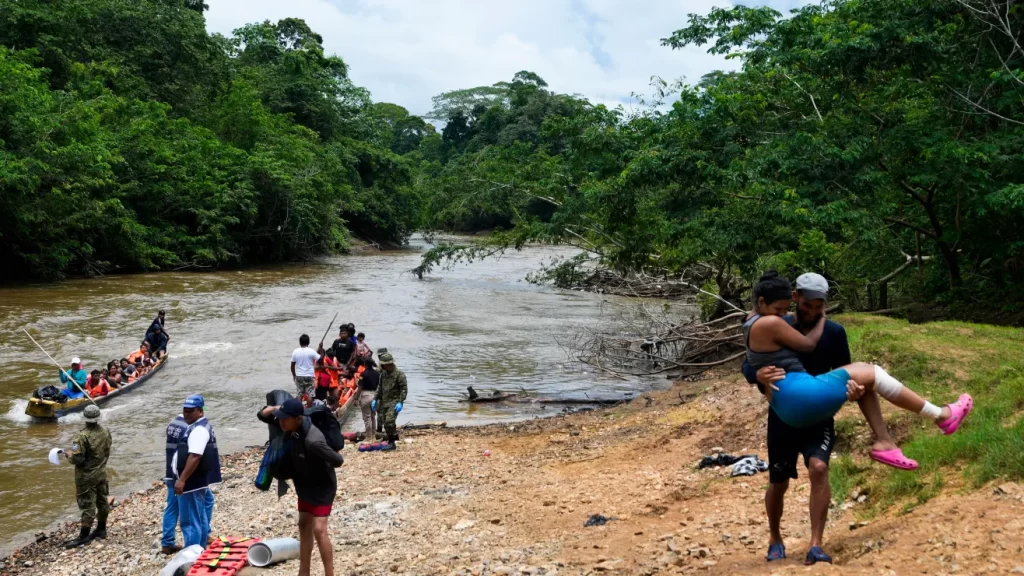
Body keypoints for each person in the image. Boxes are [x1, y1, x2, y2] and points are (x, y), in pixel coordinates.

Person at [743, 271, 974, 564]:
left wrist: (851, 392)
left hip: (817, 411)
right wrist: (758, 375)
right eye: (806, 306)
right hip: (784, 415)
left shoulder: (834, 332)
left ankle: (816, 543)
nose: (813, 312)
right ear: (795, 298)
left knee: (819, 468)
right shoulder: (777, 321)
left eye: (819, 307)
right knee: (778, 482)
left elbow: (847, 372)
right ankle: (775, 538)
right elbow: (749, 363)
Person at [262, 399, 343, 576]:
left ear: (298, 418)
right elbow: (262, 414)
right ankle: (303, 572)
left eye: (285, 419)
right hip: (303, 483)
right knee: (304, 524)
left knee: (319, 530)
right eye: (280, 419)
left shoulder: (313, 440)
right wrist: (278, 408)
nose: (281, 422)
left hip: (322, 486)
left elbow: (338, 460)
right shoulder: (289, 426)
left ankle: (329, 573)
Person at [172, 395, 221, 549]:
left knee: (190, 521)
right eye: (185, 410)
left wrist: (182, 480)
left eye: (190, 411)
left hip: (192, 482)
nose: (186, 414)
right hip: (198, 480)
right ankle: (200, 549)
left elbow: (195, 456)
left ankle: (192, 554)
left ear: (200, 411)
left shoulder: (199, 430)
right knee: (199, 516)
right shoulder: (199, 426)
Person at [63, 405, 112, 548]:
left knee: (87, 505)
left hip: (85, 477)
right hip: (101, 472)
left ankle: (83, 536)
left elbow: (77, 460)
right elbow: (107, 449)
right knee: (102, 501)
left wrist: (68, 455)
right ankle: (101, 529)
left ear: (85, 418)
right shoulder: (105, 431)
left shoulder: (81, 437)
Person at [373, 353, 408, 450]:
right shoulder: (383, 374)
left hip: (394, 401)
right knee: (386, 422)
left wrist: (400, 401)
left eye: (384, 364)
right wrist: (375, 399)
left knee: (389, 421)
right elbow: (379, 387)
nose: (383, 366)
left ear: (389, 364)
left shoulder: (399, 374)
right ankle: (392, 437)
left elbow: (404, 389)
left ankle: (391, 443)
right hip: (384, 401)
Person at [291, 334, 320, 406]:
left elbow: (292, 365)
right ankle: (309, 410)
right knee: (310, 394)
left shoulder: (295, 351)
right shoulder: (311, 351)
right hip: (309, 376)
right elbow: (320, 358)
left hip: (299, 375)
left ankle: (298, 411)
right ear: (308, 342)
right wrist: (321, 348)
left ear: (300, 342)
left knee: (299, 394)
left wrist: (294, 375)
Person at [357, 356, 380, 442]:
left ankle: (368, 437)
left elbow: (360, 387)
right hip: (375, 395)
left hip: (366, 395)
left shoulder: (363, 374)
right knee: (373, 416)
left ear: (365, 364)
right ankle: (373, 436)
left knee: (367, 417)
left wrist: (355, 398)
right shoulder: (377, 373)